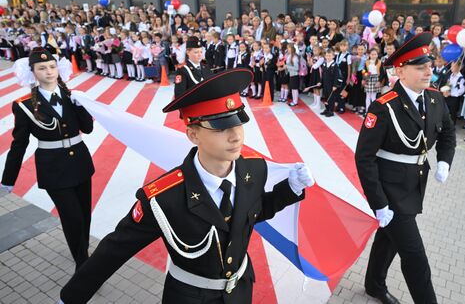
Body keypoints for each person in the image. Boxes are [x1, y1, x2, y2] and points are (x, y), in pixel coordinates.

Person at [59, 68, 314, 304]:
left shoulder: (254, 171)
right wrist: (70, 297)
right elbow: (114, 250)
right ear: (193, 134)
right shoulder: (163, 198)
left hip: (240, 291)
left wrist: (289, 190)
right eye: (220, 126)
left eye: (238, 122)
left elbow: (255, 212)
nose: (236, 135)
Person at [355, 32, 456, 304]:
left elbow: (447, 133)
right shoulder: (383, 107)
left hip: (414, 184)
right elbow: (364, 158)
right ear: (400, 70)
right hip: (390, 191)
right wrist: (378, 202)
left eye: (429, 65)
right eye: (420, 67)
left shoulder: (434, 98)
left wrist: (445, 160)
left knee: (388, 240)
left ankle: (374, 285)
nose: (428, 71)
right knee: (415, 257)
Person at [0, 47, 95, 270]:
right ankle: (83, 264)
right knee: (72, 218)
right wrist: (8, 179)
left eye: (52, 66)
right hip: (53, 169)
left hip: (80, 163)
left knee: (83, 215)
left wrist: (81, 108)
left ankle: (82, 248)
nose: (49, 71)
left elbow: (88, 129)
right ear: (32, 72)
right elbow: (19, 145)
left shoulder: (72, 97)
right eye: (42, 68)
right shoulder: (24, 106)